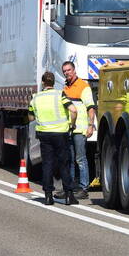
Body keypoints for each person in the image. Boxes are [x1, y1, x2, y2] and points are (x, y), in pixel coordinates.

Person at [28, 71, 78, 206]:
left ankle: (48, 196)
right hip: (61, 134)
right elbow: (73, 110)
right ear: (54, 82)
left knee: (47, 164)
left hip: (44, 134)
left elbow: (31, 117)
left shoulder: (35, 98)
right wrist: (71, 125)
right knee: (64, 164)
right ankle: (69, 196)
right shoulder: (60, 95)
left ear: (43, 83)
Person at [58, 60, 96, 200]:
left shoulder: (83, 86)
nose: (67, 73)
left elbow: (90, 108)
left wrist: (90, 126)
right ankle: (70, 187)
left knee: (80, 159)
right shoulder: (65, 87)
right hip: (69, 129)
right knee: (70, 160)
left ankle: (83, 187)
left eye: (68, 70)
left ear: (74, 70)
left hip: (80, 129)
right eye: (64, 71)